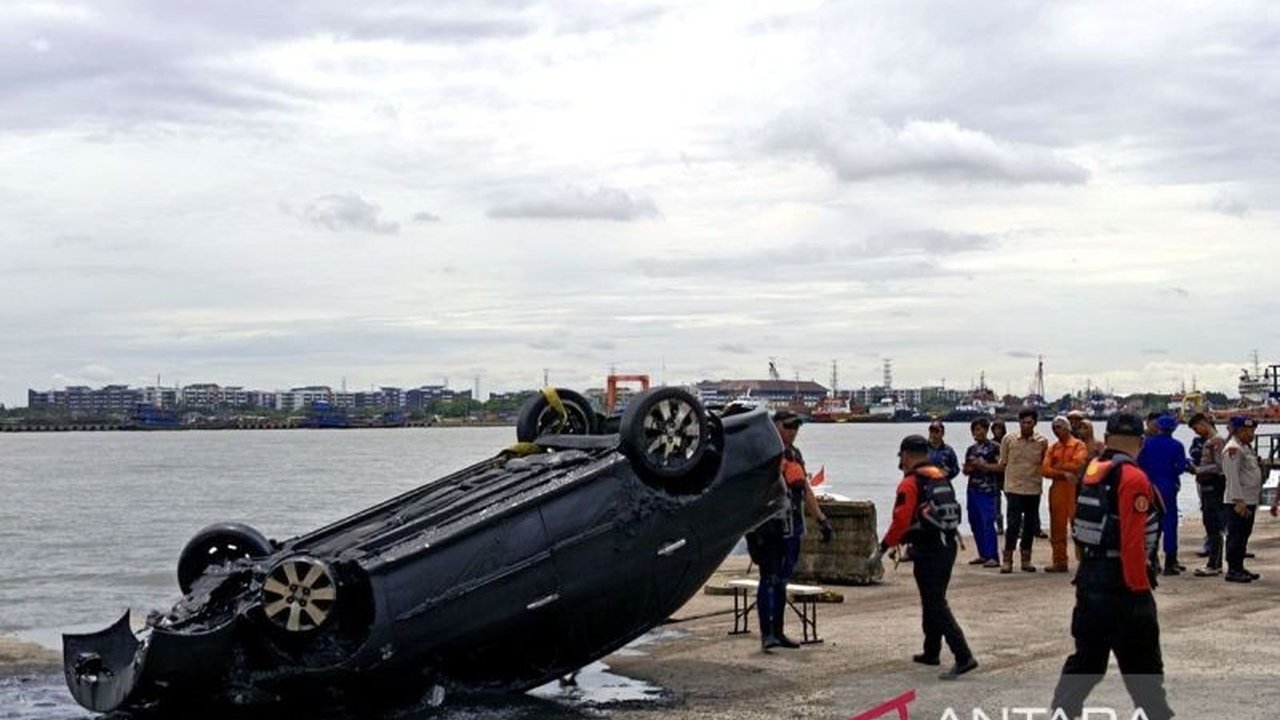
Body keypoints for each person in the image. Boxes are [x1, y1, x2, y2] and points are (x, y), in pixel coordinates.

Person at [1049, 413, 1173, 720]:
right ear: (1141, 442)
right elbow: (1132, 542)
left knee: (1087, 662)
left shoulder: (1095, 470)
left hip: (1090, 578)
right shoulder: (1132, 478)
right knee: (1145, 669)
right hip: (1122, 585)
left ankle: (1061, 713)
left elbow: (1082, 526)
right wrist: (1140, 591)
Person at [870, 435, 977, 679]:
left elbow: (900, 520)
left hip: (929, 549)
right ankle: (931, 651)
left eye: (902, 457)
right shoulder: (938, 475)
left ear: (906, 455)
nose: (902, 462)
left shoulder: (910, 482)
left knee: (935, 603)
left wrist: (883, 547)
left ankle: (963, 655)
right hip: (947, 544)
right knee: (932, 599)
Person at [745, 409, 835, 650]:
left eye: (796, 427)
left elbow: (806, 489)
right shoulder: (763, 454)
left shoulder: (795, 454)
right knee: (769, 579)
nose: (793, 431)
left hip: (792, 525)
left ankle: (779, 631)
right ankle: (767, 634)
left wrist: (822, 520)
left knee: (783, 580)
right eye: (788, 426)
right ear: (775, 426)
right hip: (768, 527)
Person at [1137, 414, 1188, 575]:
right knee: (1170, 524)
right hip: (1167, 487)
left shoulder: (1145, 444)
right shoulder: (1177, 445)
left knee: (1150, 523)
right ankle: (1170, 562)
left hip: (1149, 486)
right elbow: (1180, 467)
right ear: (1173, 428)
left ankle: (1151, 560)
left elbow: (1139, 463)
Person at [998, 408, 1048, 573]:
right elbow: (1003, 462)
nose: (1026, 426)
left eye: (1029, 423)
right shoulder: (1009, 439)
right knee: (1012, 524)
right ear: (1019, 423)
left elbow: (1044, 463)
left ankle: (1026, 559)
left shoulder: (1042, 441)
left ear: (1035, 423)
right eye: (1023, 422)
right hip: (1014, 487)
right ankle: (1007, 559)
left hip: (1033, 488)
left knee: (1030, 525)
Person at [1042, 416, 1087, 573]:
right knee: (1057, 528)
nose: (1056, 430)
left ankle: (1085, 561)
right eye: (1054, 428)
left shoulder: (1078, 445)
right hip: (1058, 488)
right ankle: (1059, 561)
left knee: (1079, 526)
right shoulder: (1053, 448)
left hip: (1074, 488)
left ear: (1067, 428)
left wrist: (1057, 467)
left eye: (1059, 427)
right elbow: (1045, 470)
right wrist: (1062, 472)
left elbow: (1078, 464)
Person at [1223, 416, 1262, 583]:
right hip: (1239, 501)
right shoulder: (1233, 449)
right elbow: (1232, 477)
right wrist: (1238, 500)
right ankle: (1233, 569)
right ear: (1239, 431)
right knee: (1236, 535)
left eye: (1252, 430)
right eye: (1248, 430)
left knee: (1244, 534)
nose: (1251, 433)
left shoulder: (1246, 448)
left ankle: (1239, 566)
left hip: (1250, 499)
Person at [1188, 413, 1227, 577]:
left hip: (1213, 487)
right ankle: (1214, 562)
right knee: (1210, 524)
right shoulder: (1210, 441)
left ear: (1203, 423)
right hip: (1207, 486)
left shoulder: (1216, 441)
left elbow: (1220, 467)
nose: (1196, 433)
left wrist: (1198, 470)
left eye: (1196, 428)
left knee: (1213, 525)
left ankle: (1214, 563)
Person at [962, 418, 1002, 567]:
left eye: (980, 429)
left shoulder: (995, 447)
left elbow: (1001, 467)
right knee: (975, 522)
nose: (977, 433)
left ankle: (993, 556)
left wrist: (984, 466)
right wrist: (968, 469)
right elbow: (966, 470)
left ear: (986, 430)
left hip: (988, 490)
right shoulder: (971, 449)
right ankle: (983, 554)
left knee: (987, 522)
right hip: (972, 489)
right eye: (975, 430)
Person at [990, 419, 1008, 535]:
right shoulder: (990, 444)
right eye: (996, 429)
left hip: (1007, 475)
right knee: (996, 504)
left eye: (1000, 429)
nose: (998, 431)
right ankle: (999, 527)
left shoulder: (1008, 442)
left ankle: (1016, 525)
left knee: (1012, 502)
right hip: (995, 476)